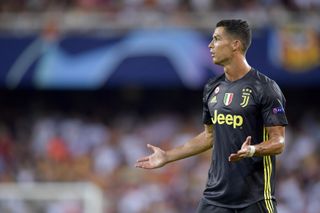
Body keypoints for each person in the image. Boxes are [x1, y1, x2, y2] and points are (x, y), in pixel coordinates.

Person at [135, 19, 288, 213]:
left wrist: (252, 150)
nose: (210, 45)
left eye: (216, 39)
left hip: (254, 198)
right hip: (215, 197)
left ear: (235, 45)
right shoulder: (212, 87)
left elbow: (279, 141)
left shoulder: (265, 88)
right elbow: (209, 136)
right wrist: (168, 156)